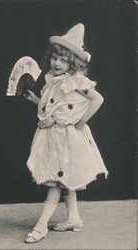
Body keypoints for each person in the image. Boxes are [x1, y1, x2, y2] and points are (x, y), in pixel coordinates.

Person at [24, 23, 108, 243]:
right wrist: (36, 100)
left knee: (56, 181)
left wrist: (81, 121)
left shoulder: (77, 81)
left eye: (63, 60)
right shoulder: (52, 79)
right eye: (55, 58)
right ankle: (74, 218)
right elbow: (53, 107)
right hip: (53, 136)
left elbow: (98, 99)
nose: (57, 63)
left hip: (67, 138)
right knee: (65, 180)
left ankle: (41, 226)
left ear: (73, 62)